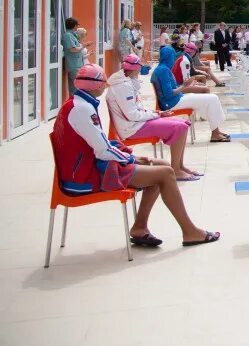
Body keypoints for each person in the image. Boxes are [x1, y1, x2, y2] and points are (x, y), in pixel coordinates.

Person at [52, 63, 219, 247]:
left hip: (86, 167)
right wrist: (131, 159)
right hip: (85, 177)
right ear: (95, 85)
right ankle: (190, 232)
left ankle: (140, 228)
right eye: (101, 81)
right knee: (166, 173)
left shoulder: (78, 104)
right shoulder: (83, 109)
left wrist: (132, 158)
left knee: (160, 165)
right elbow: (103, 150)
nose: (105, 84)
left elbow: (100, 144)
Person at [107, 54, 200, 181]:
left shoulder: (127, 82)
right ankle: (176, 170)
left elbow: (135, 109)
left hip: (136, 123)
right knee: (180, 127)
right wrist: (155, 114)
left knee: (183, 123)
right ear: (134, 69)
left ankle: (180, 166)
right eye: (139, 67)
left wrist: (157, 113)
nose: (141, 70)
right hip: (132, 128)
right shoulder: (122, 86)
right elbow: (132, 114)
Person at [152, 47, 229, 143]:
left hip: (175, 100)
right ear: (169, 57)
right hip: (173, 103)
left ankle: (216, 131)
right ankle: (215, 133)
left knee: (210, 100)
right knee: (213, 98)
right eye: (173, 56)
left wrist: (186, 86)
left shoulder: (161, 69)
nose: (174, 59)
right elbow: (169, 94)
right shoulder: (163, 70)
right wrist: (184, 86)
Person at [61, 17, 92, 97]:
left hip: (77, 64)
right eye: (77, 26)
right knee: (77, 87)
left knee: (75, 87)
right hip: (73, 65)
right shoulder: (68, 36)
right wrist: (84, 45)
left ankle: (74, 102)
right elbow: (72, 49)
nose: (77, 27)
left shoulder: (72, 35)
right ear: (74, 26)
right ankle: (76, 103)